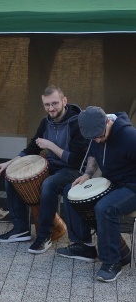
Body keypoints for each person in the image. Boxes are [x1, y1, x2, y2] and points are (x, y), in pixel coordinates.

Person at [0, 86, 87, 253]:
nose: (50, 108)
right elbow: (31, 149)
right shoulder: (46, 122)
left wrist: (51, 146)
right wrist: (9, 164)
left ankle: (44, 236)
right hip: (52, 165)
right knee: (12, 177)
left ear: (64, 101)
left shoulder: (77, 123)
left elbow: (76, 161)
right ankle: (20, 228)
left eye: (55, 103)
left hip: (74, 171)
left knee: (49, 184)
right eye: (47, 105)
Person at [56, 106, 136, 283]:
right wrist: (87, 175)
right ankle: (84, 245)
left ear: (108, 122)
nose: (98, 140)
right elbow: (93, 153)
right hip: (113, 182)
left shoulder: (129, 136)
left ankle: (112, 262)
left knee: (105, 208)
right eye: (94, 138)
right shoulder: (94, 132)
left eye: (101, 136)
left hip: (132, 186)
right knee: (71, 191)